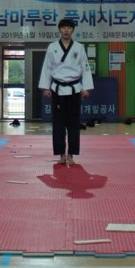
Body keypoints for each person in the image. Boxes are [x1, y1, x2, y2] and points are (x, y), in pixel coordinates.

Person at [38, 18, 94, 165]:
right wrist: (46, 87)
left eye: (69, 28)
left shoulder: (79, 47)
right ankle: (62, 154)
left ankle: (71, 155)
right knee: (58, 124)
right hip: (57, 90)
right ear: (59, 30)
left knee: (74, 124)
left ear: (73, 30)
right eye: (63, 28)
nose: (66, 30)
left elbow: (85, 67)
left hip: (74, 90)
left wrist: (86, 87)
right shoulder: (52, 47)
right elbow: (47, 68)